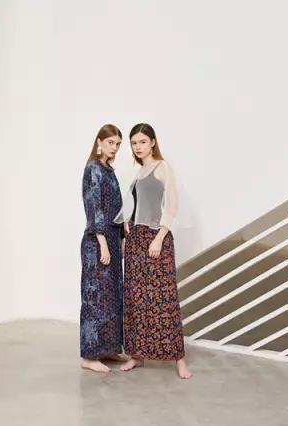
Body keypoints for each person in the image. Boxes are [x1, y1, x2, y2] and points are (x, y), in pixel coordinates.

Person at [116, 123, 192, 379]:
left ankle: (179, 360)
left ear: (152, 142)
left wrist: (159, 238)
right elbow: (136, 206)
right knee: (136, 299)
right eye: (134, 143)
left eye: (142, 142)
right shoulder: (138, 172)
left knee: (164, 299)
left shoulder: (162, 168)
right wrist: (127, 226)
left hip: (156, 237)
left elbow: (171, 207)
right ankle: (136, 355)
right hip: (136, 238)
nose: (138, 147)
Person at [80, 124, 127, 373]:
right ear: (99, 142)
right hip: (97, 242)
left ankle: (108, 349)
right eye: (111, 143)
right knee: (96, 298)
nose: (115, 148)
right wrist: (102, 242)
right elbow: (94, 207)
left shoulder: (109, 170)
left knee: (111, 296)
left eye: (118, 144)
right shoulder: (93, 170)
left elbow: (117, 207)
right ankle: (89, 356)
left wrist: (121, 238)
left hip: (112, 239)